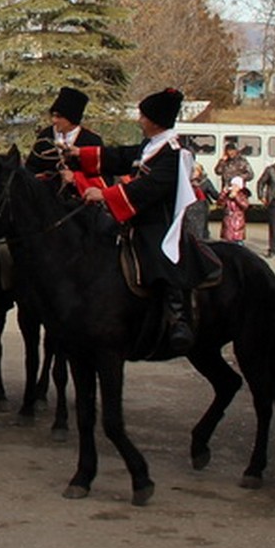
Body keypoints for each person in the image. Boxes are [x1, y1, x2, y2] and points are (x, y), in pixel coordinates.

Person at [77, 87, 199, 353]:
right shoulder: (150, 145)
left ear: (155, 121)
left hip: (161, 222)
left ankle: (178, 318)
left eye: (143, 116)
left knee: (157, 251)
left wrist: (104, 194)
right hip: (136, 217)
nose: (139, 120)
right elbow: (121, 156)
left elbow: (150, 189)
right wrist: (80, 155)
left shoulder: (175, 152)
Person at [29, 85, 102, 180]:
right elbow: (31, 168)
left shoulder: (92, 141)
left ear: (71, 118)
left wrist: (76, 179)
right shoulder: (45, 136)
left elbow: (102, 178)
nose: (53, 120)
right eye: (53, 116)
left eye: (58, 117)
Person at [220, 174, 250, 242]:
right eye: (232, 185)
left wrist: (236, 197)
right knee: (227, 242)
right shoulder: (228, 195)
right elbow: (220, 203)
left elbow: (245, 206)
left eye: (235, 185)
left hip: (237, 222)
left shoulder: (242, 195)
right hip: (228, 222)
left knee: (237, 243)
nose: (233, 187)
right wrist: (223, 193)